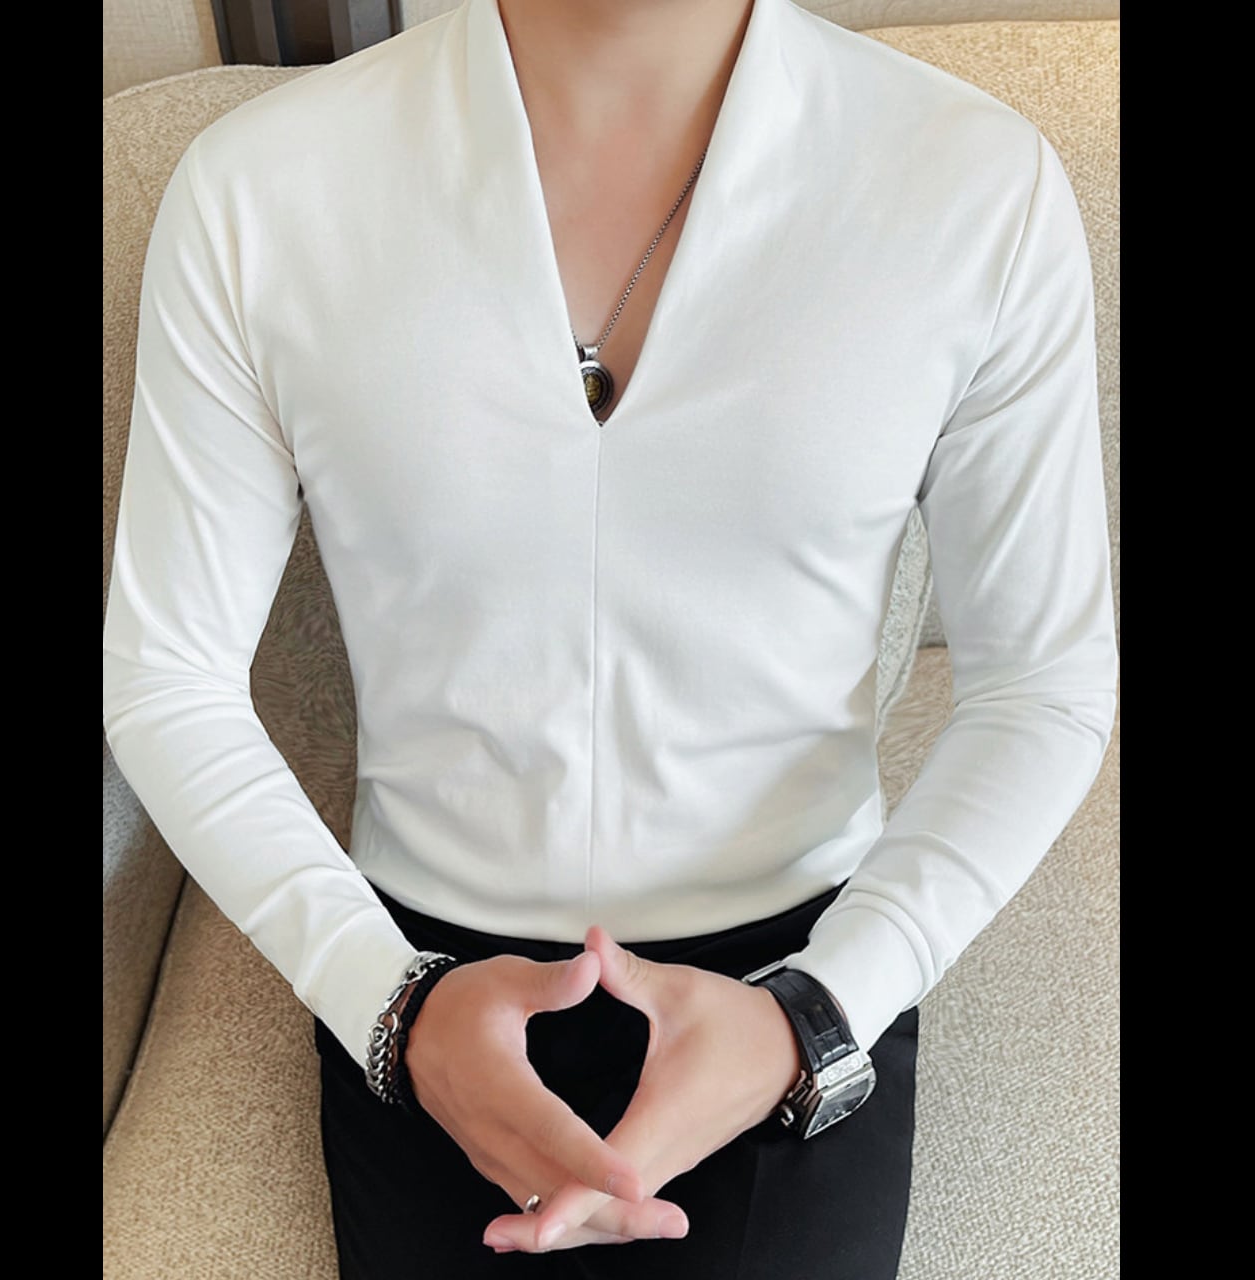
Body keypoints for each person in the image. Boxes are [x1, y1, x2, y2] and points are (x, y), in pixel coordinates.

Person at [101, 0, 1118, 1276]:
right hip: (419, 970)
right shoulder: (260, 190)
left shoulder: (973, 186)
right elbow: (168, 674)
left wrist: (820, 1011)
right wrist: (385, 999)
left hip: (803, 967)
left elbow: (1041, 682)